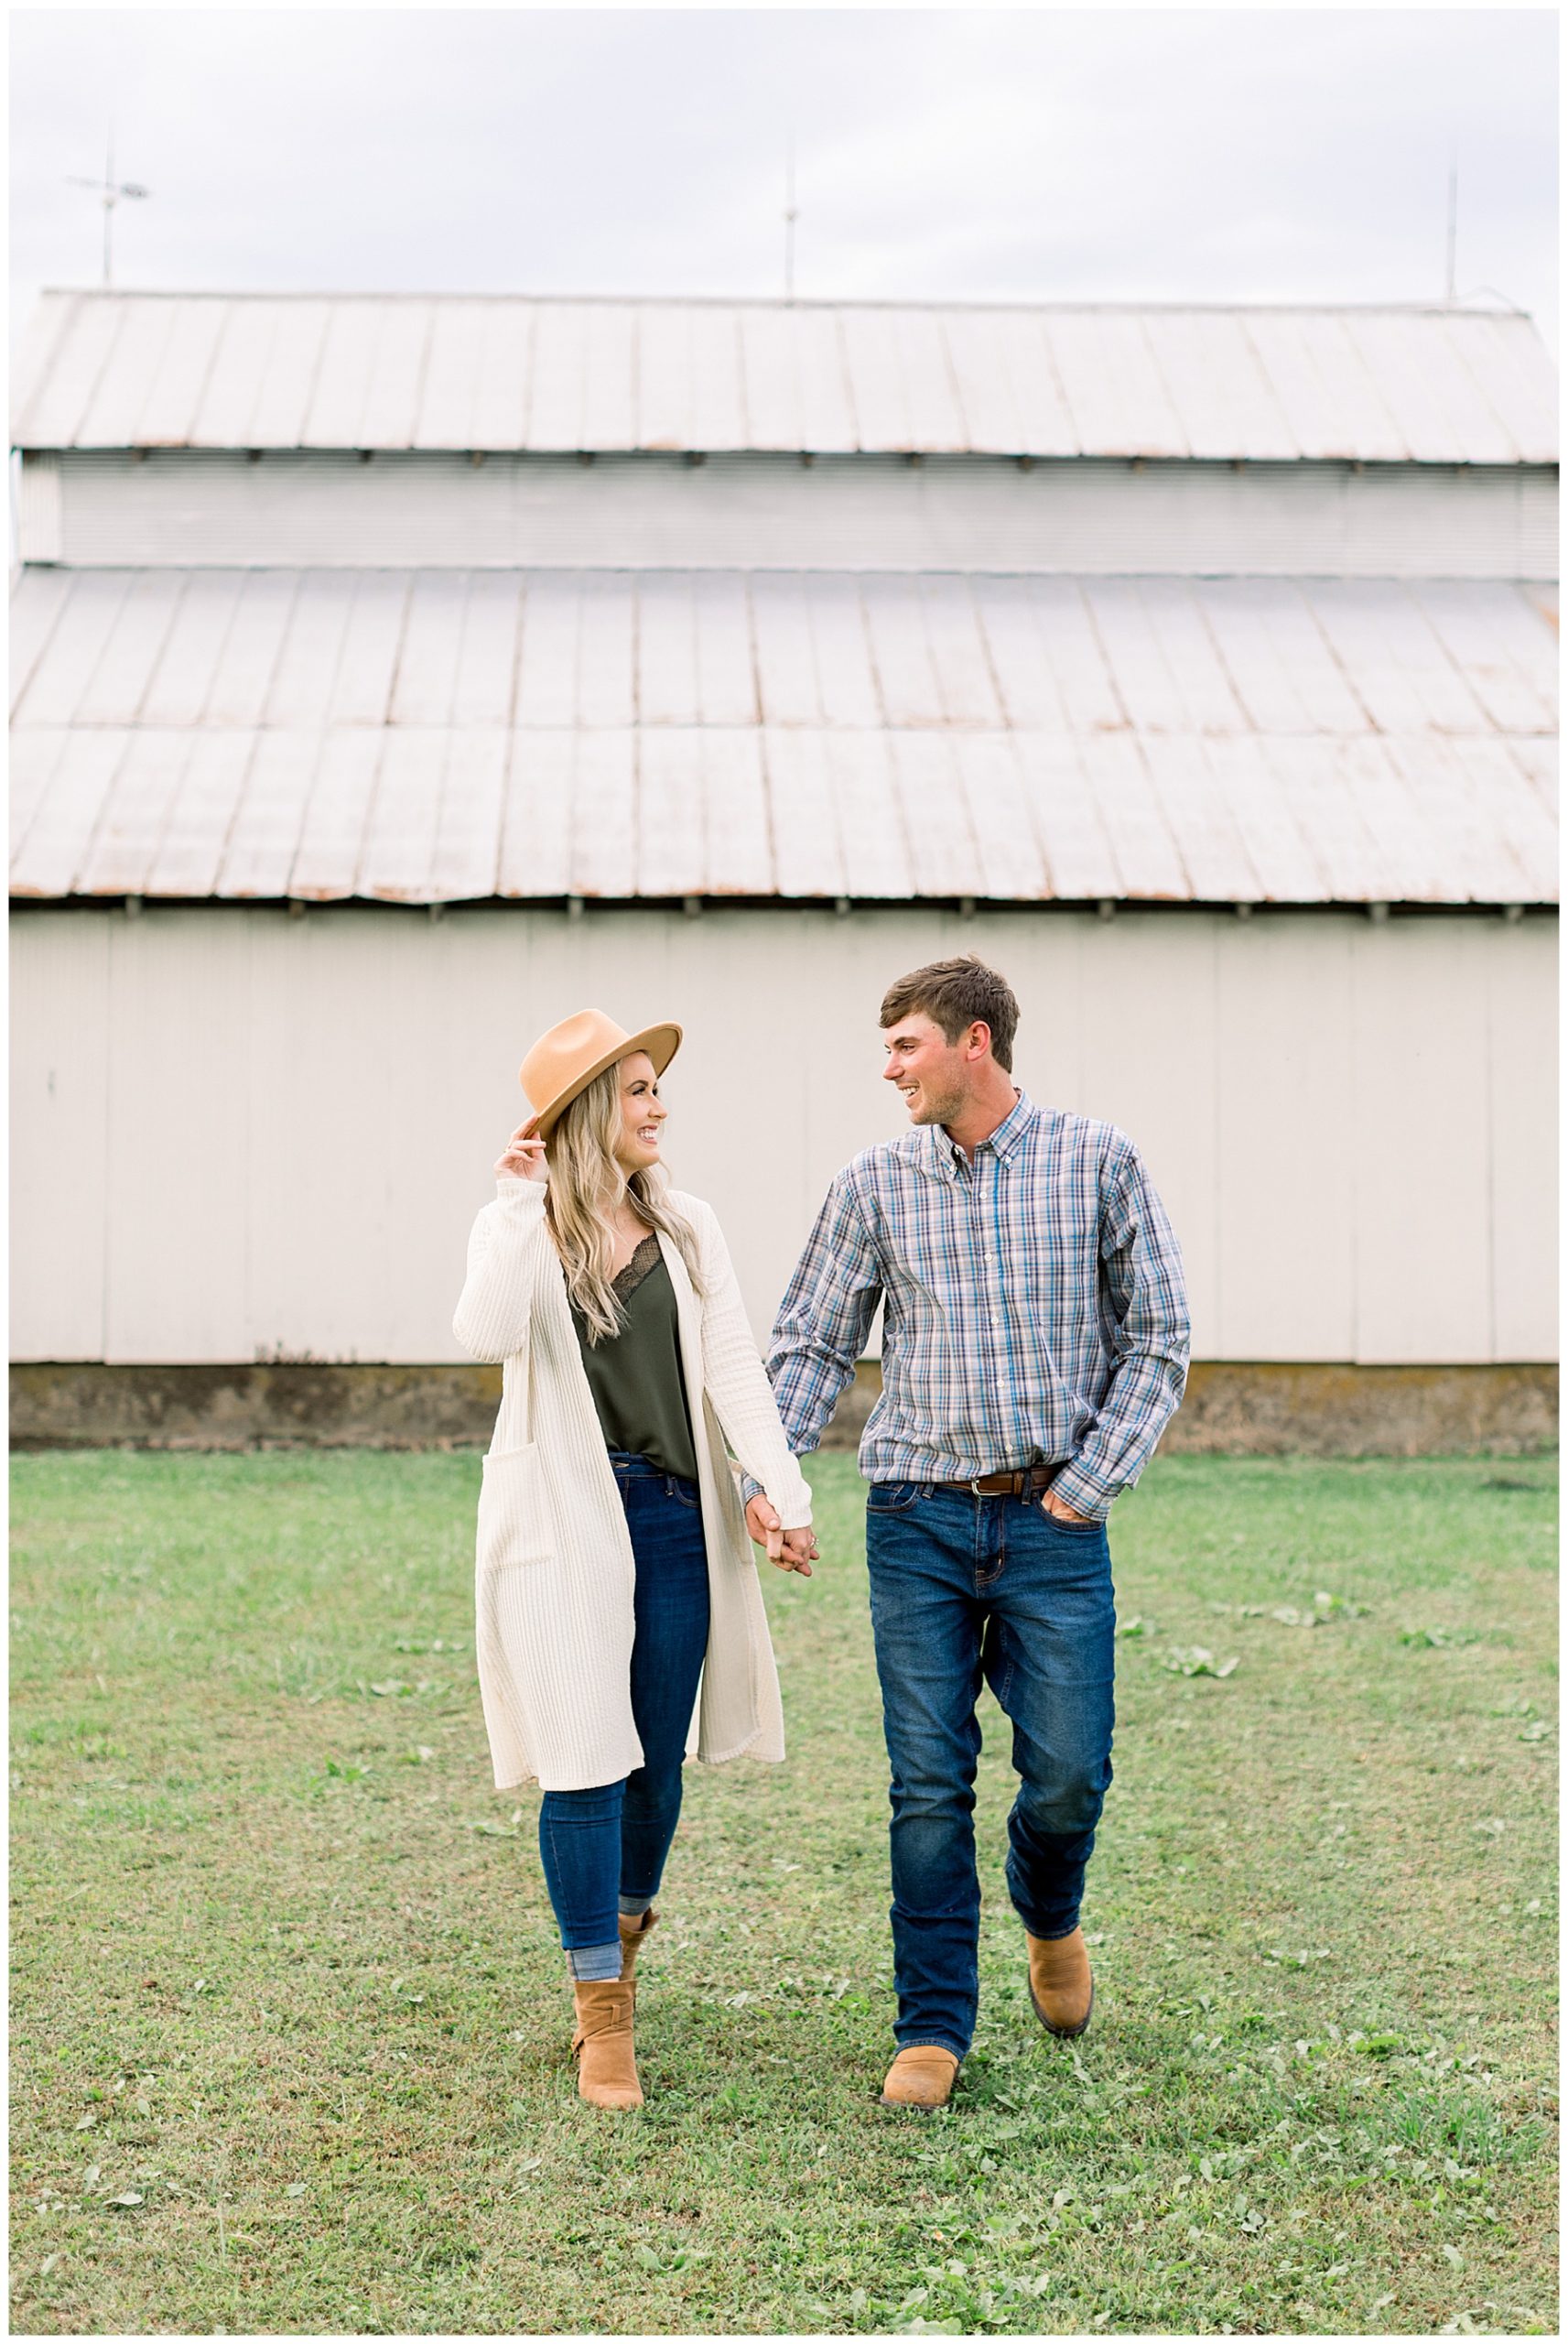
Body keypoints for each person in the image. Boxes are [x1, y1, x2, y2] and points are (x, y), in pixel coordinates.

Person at [744, 957, 1189, 2111]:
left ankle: (1050, 1913)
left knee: (1069, 1772)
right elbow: (809, 1343)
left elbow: (1161, 1337)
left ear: (973, 1042)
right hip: (916, 1516)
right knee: (929, 1782)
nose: (887, 1067)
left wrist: (1089, 1485)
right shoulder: (872, 1184)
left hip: (1052, 1517)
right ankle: (933, 2027)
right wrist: (775, 1477)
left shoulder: (1099, 1160)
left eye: (905, 1045)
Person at [454, 1008, 816, 2112]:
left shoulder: (688, 1225)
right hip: (561, 1526)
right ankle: (599, 2007)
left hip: (670, 1516)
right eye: (638, 1089)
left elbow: (736, 1367)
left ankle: (619, 1920)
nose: (659, 1107)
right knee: (583, 1757)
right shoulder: (519, 1226)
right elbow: (485, 1329)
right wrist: (520, 1204)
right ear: (583, 1115)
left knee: (654, 1764)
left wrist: (778, 1489)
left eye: (659, 1087)